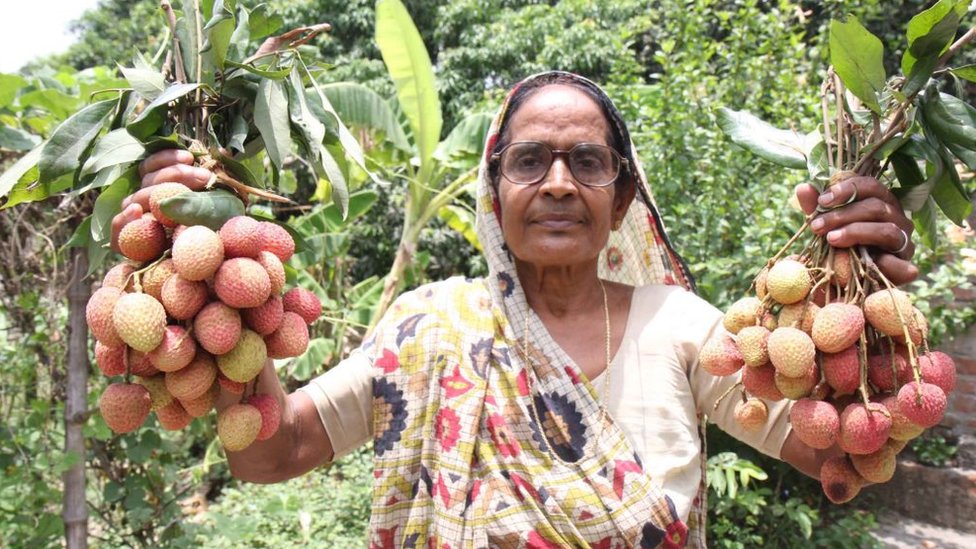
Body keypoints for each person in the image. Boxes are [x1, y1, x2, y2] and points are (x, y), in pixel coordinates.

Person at [112, 71, 918, 548]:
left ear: (622, 196)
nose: (559, 183)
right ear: (493, 193)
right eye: (530, 160)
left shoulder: (681, 325)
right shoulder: (428, 322)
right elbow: (271, 454)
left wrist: (862, 288)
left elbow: (842, 460)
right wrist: (211, 276)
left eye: (587, 162)